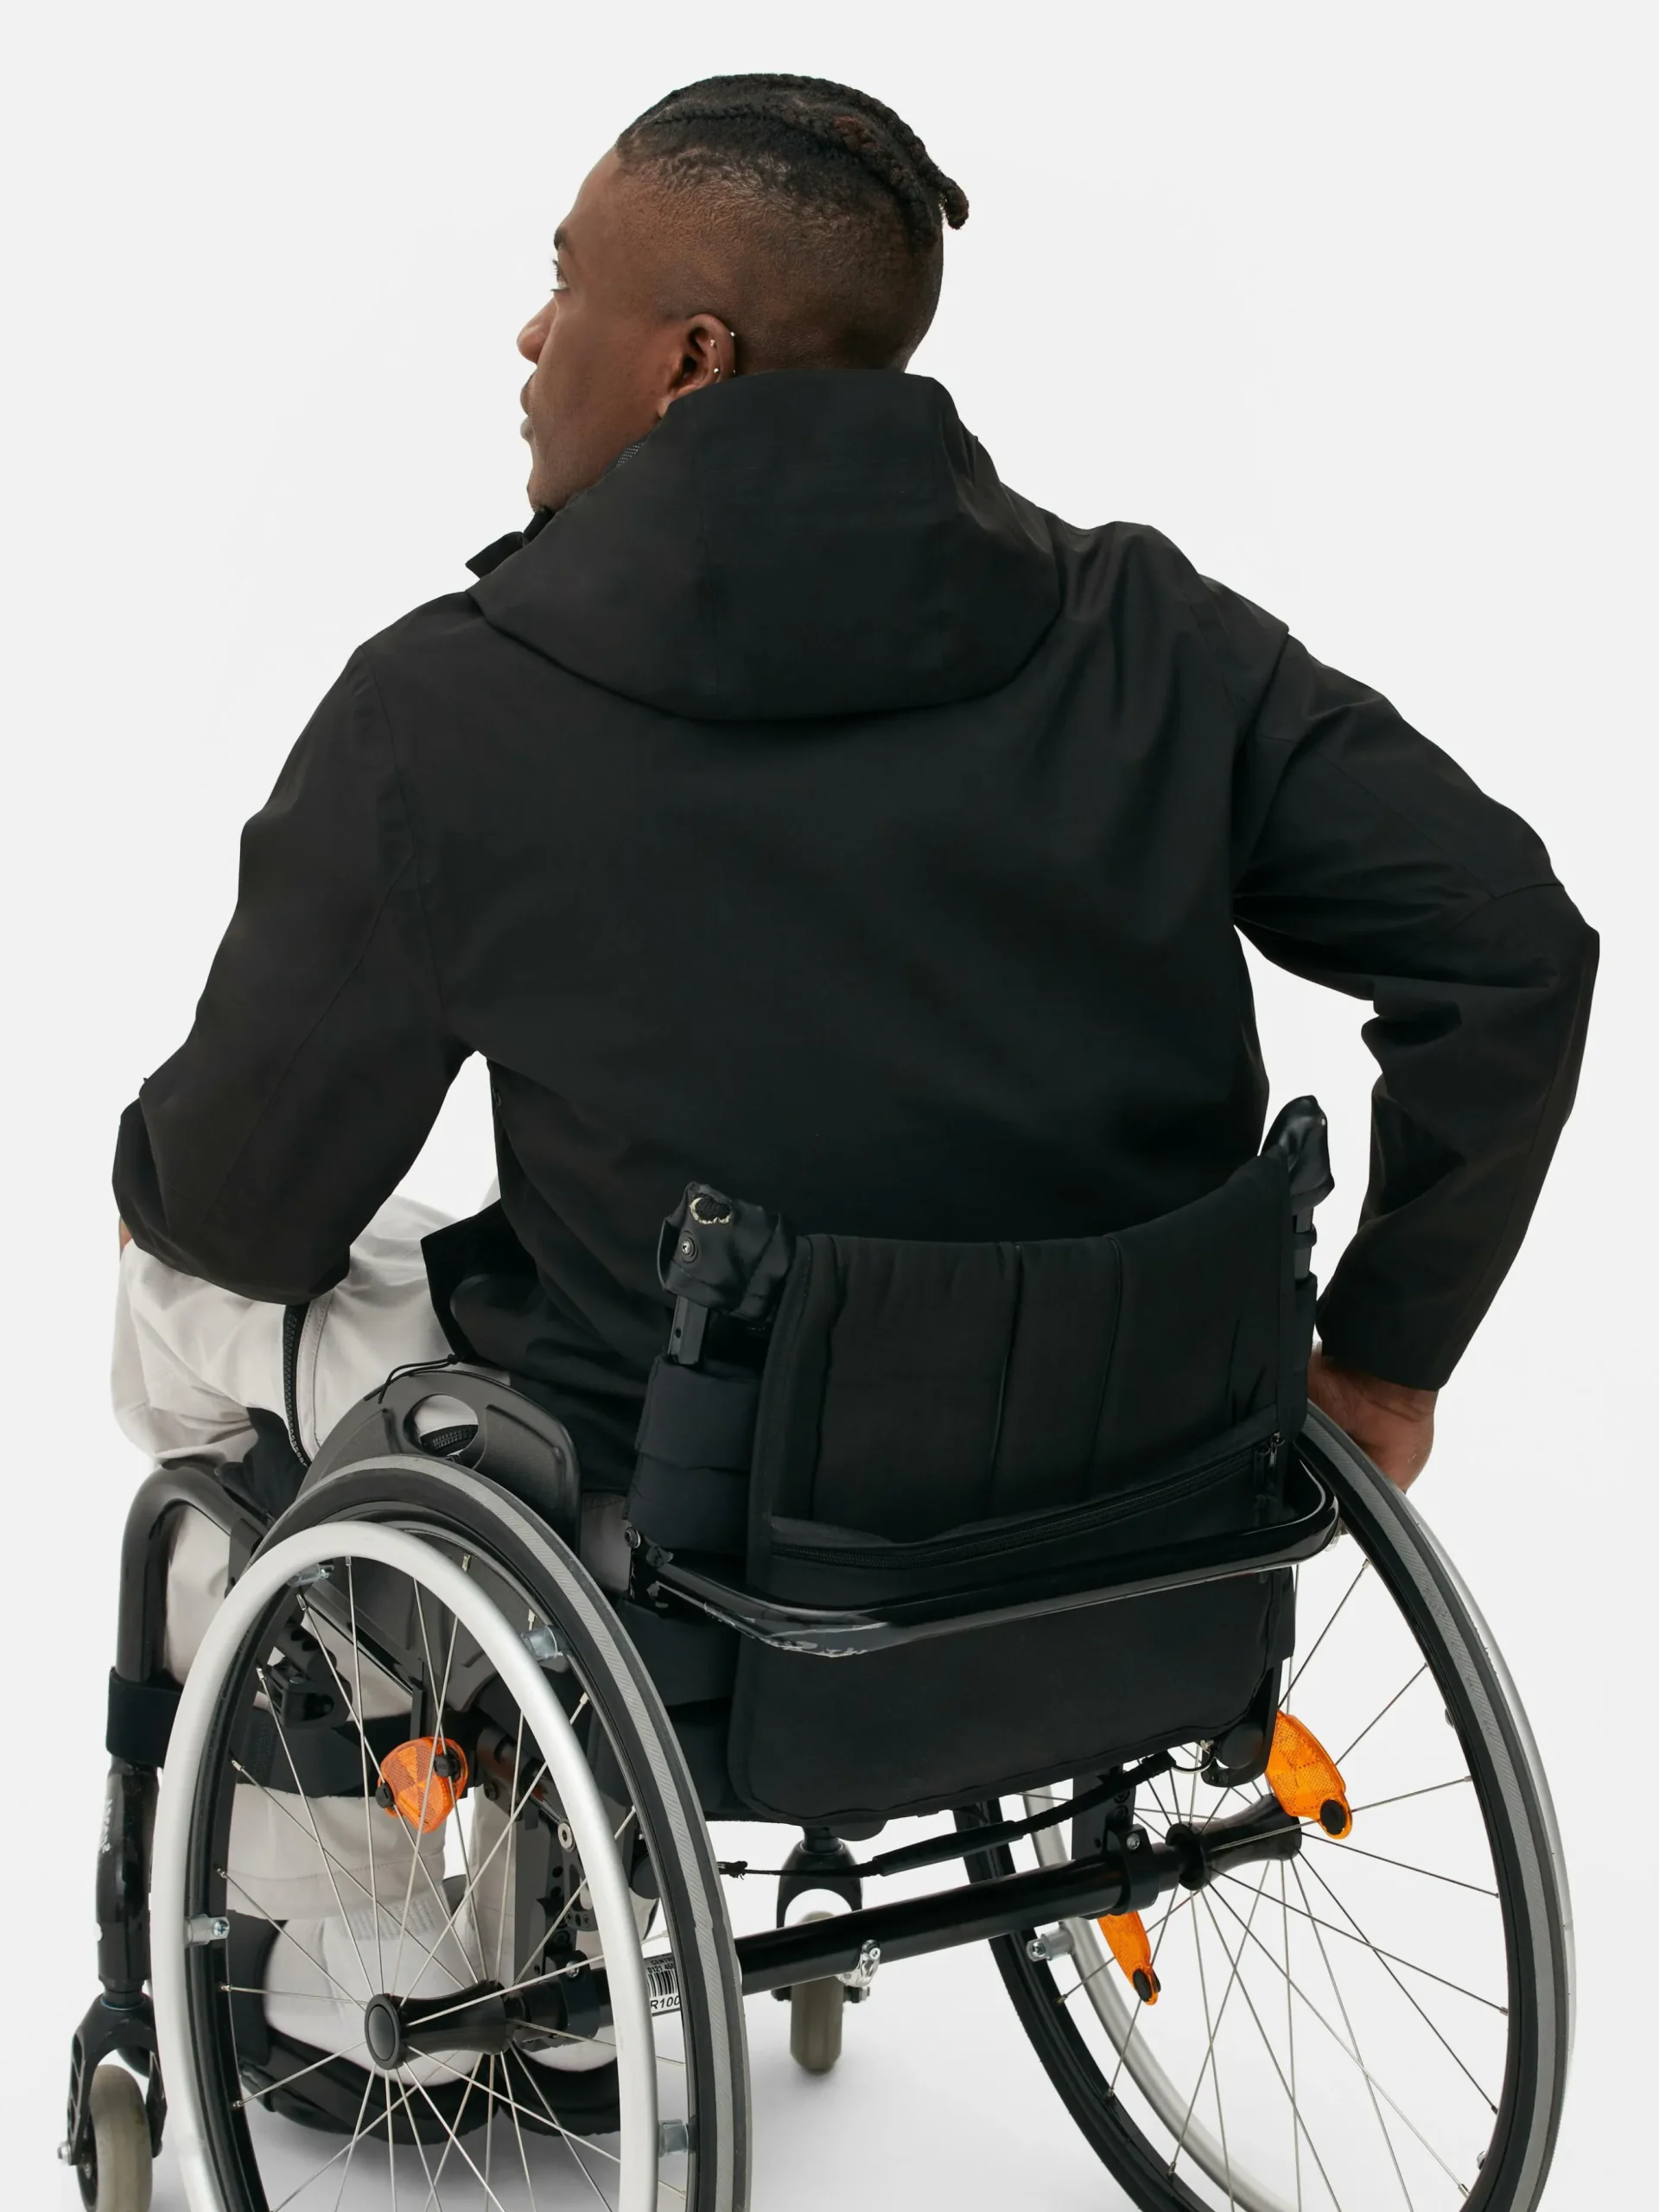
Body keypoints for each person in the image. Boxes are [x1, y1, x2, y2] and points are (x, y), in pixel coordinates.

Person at [115, 73, 1596, 1587]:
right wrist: (1388, 1359)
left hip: (704, 1535)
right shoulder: (1152, 634)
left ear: (692, 359)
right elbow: (1509, 948)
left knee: (172, 1292)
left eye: (566, 282)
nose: (533, 333)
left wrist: (165, 1201)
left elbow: (240, 1218)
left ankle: (329, 1713)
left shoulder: (443, 710)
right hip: (1151, 1491)